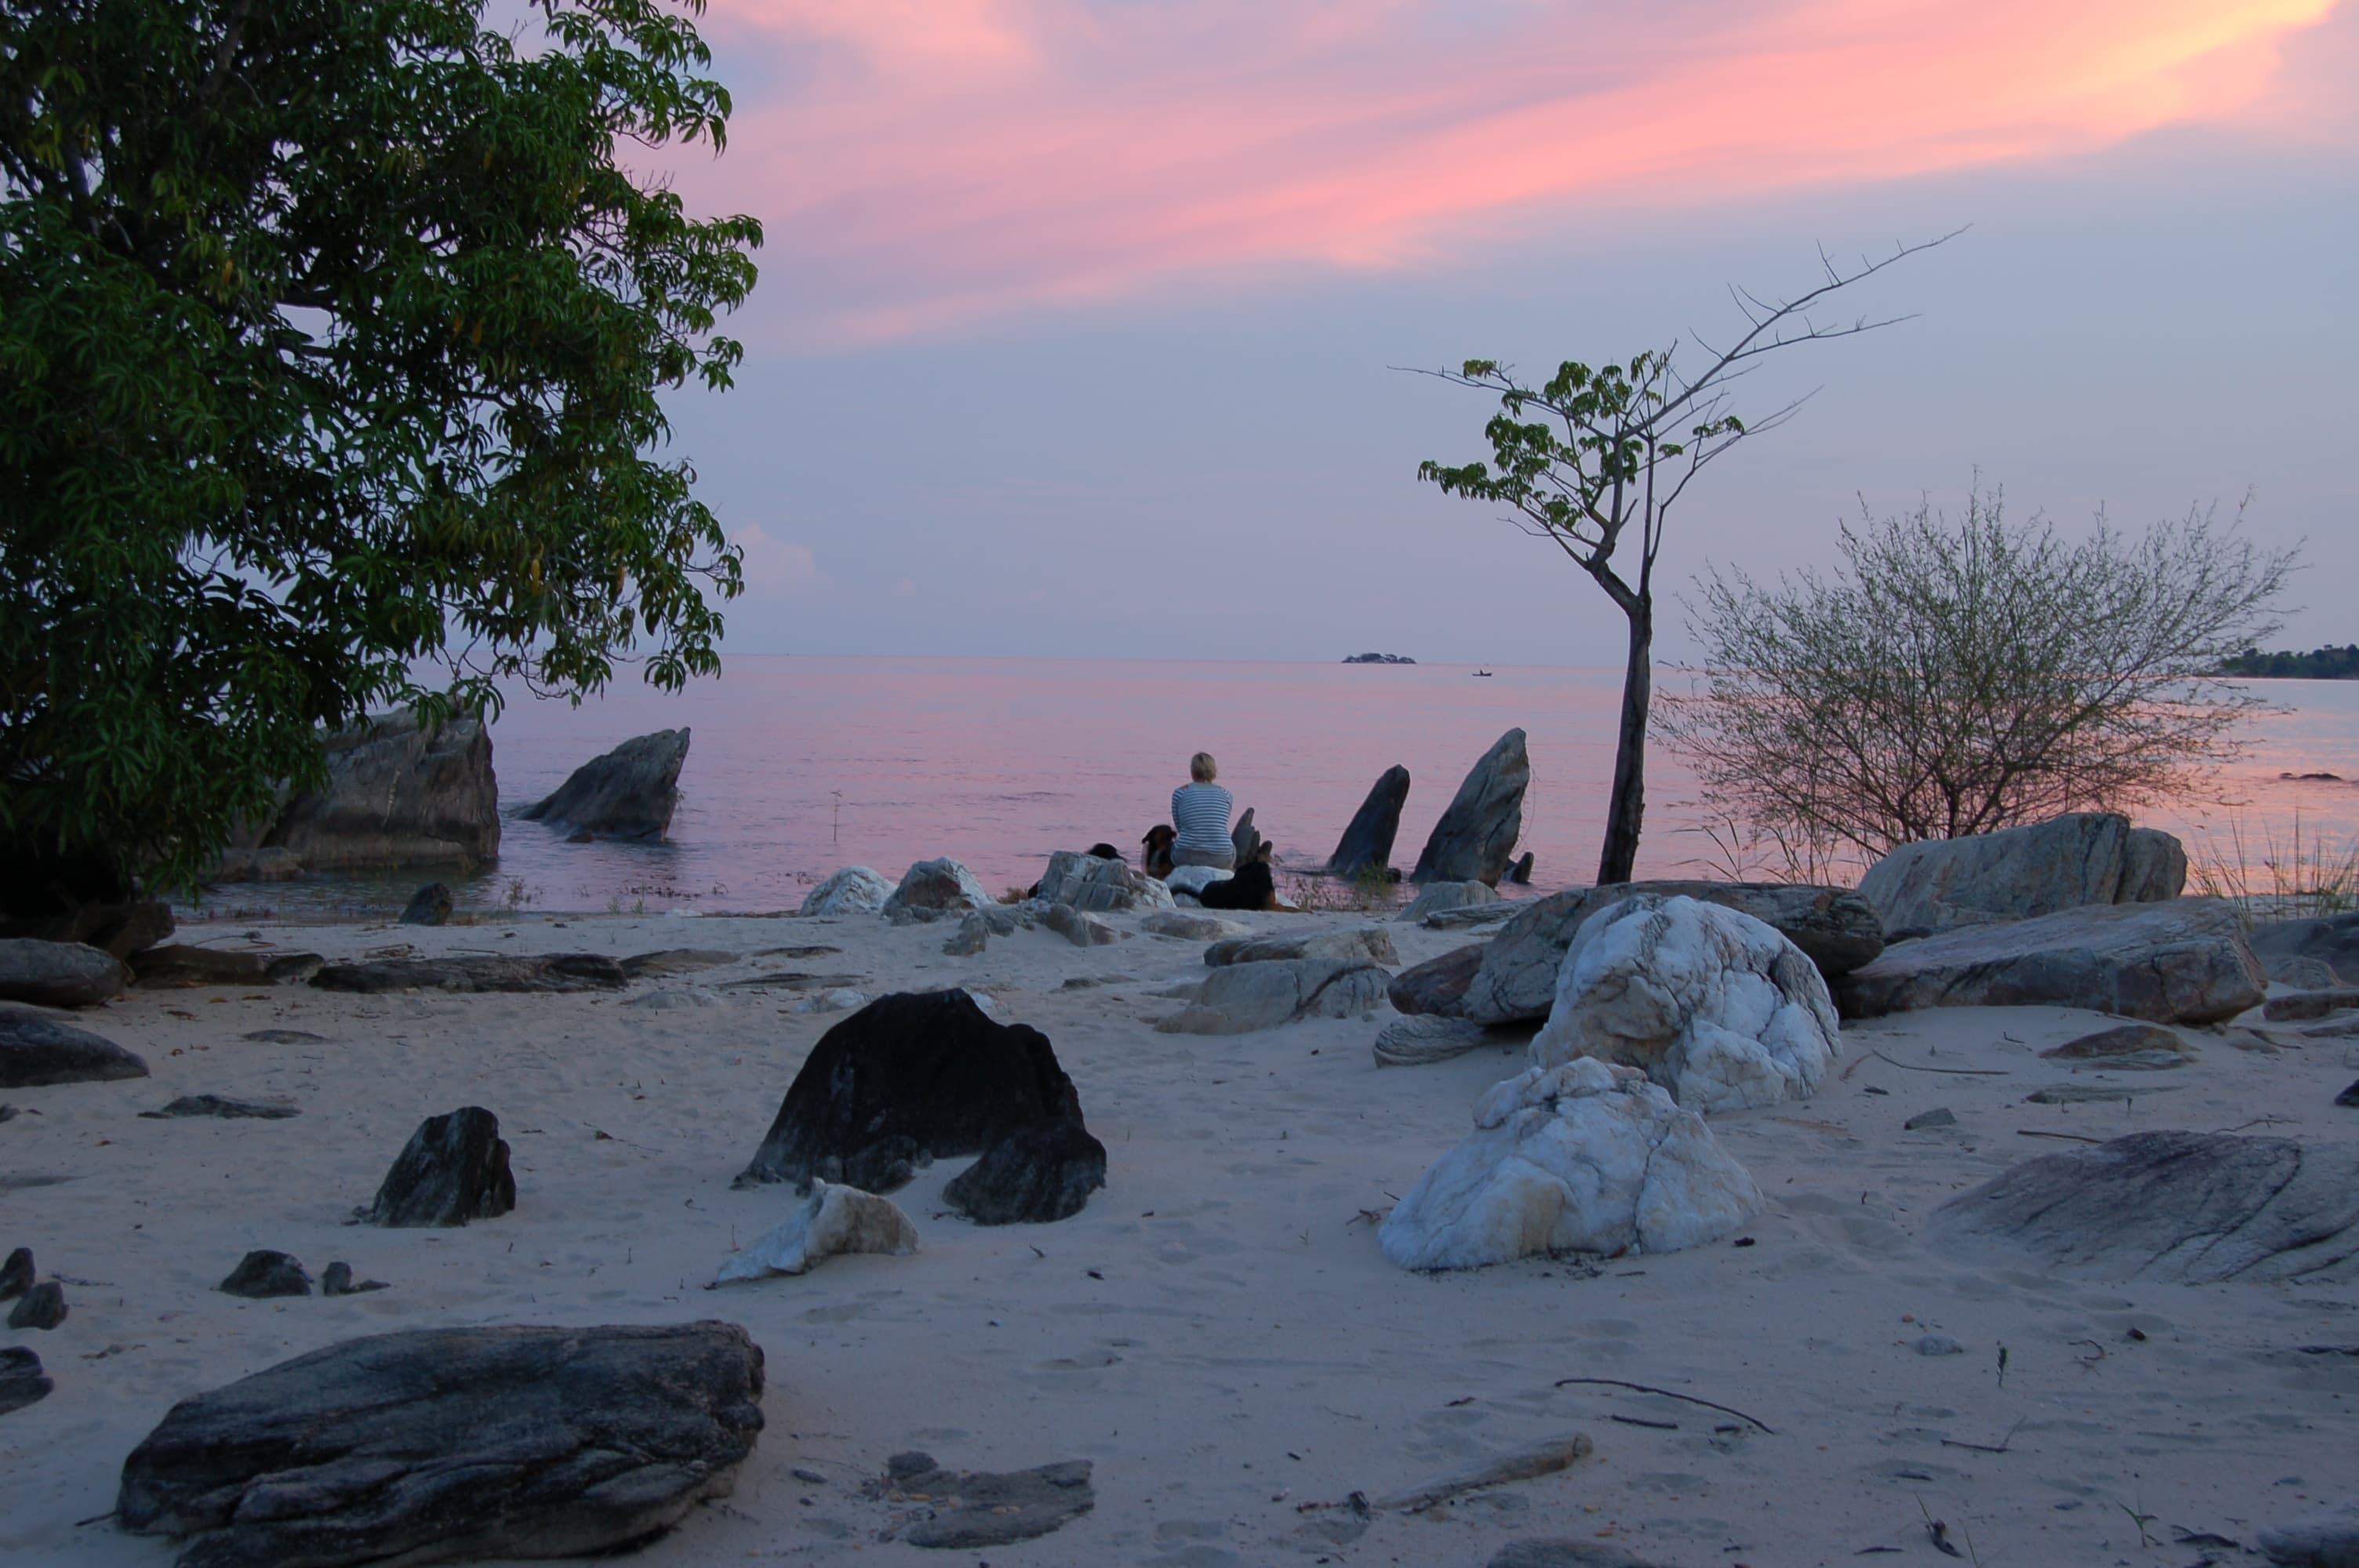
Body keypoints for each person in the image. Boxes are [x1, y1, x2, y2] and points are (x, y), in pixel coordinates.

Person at [1169, 752, 1235, 871]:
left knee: (1174, 846)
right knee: (1232, 847)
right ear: (1214, 771)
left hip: (1186, 856)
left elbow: (1180, 827)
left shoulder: (1180, 793)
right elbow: (1220, 824)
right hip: (1221, 856)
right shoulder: (1226, 794)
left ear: (1193, 771)